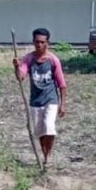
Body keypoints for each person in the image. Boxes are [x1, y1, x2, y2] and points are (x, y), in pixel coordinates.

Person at [13, 28, 67, 167]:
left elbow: (62, 84)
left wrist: (63, 104)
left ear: (47, 43)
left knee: (49, 127)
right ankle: (44, 155)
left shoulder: (53, 60)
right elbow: (21, 77)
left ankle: (49, 155)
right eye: (37, 42)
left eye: (42, 42)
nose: (39, 45)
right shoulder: (29, 59)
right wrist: (16, 67)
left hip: (51, 99)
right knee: (40, 131)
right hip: (35, 101)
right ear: (33, 42)